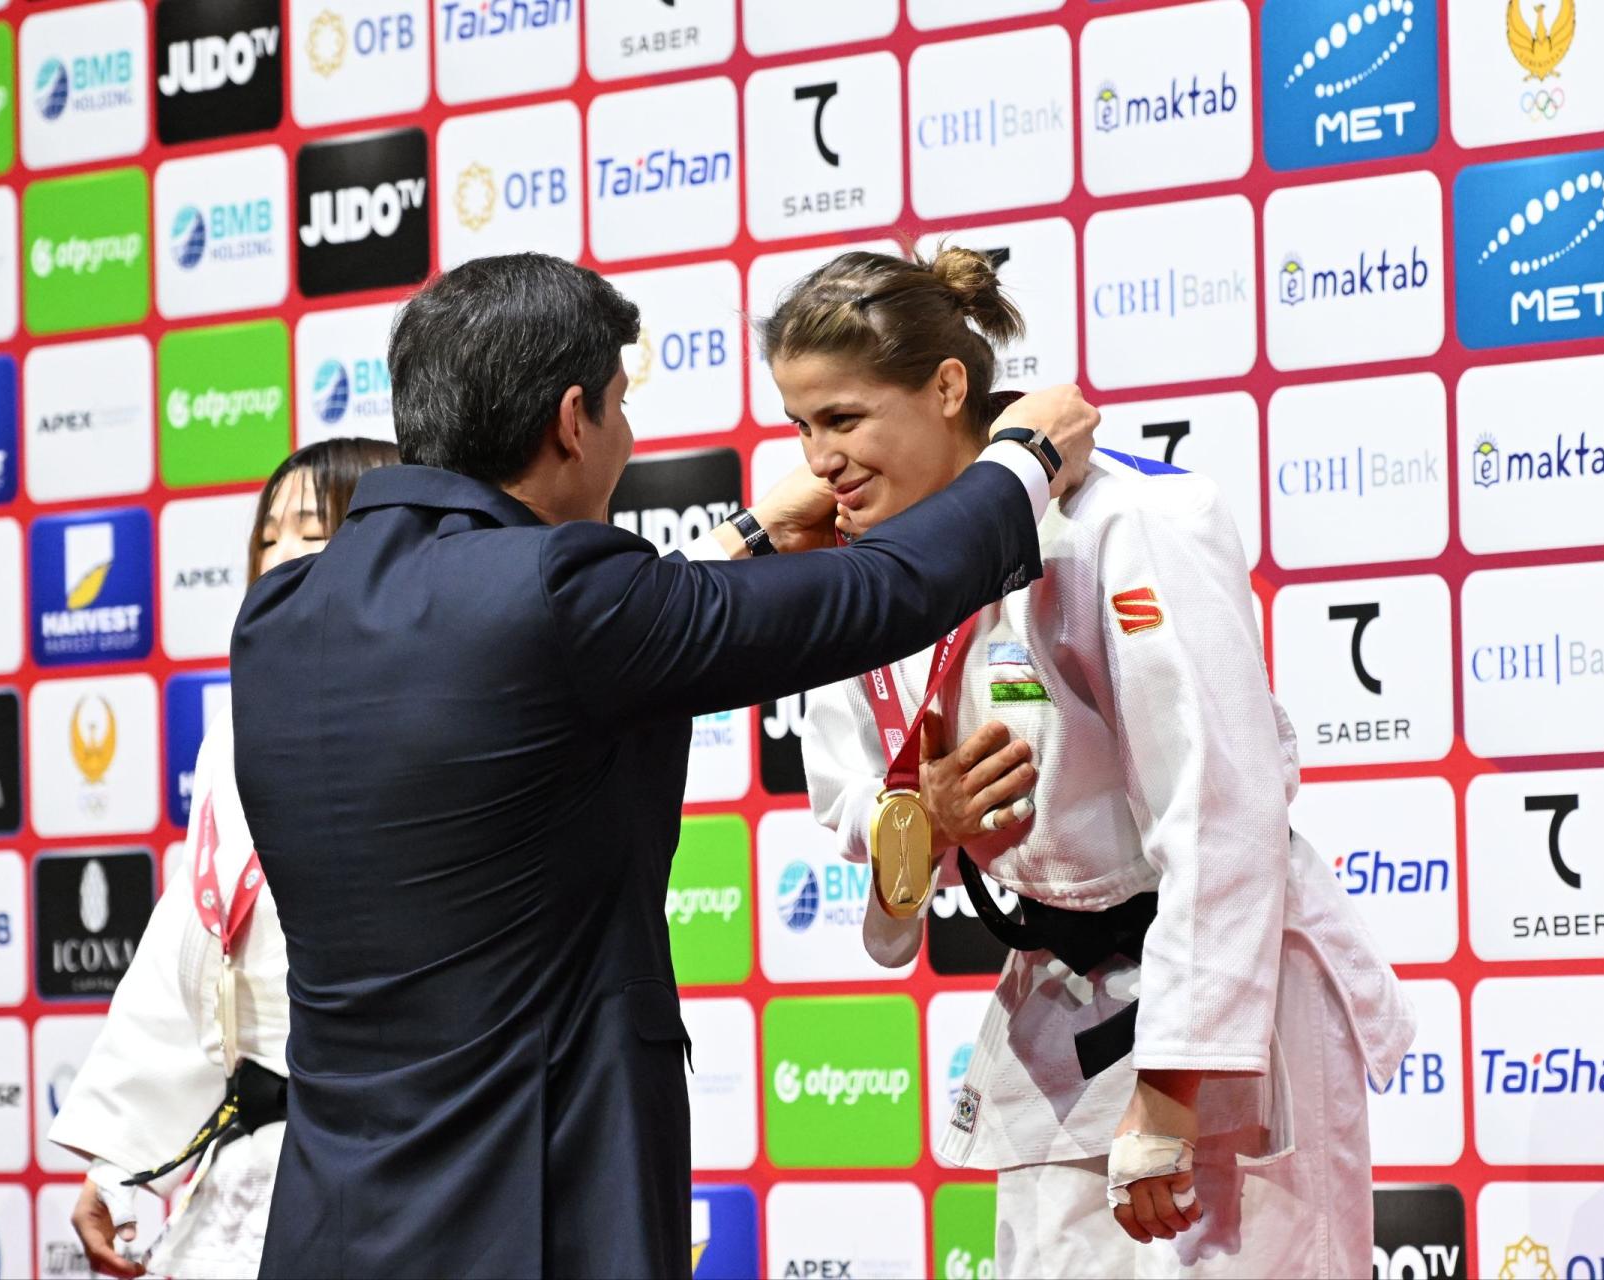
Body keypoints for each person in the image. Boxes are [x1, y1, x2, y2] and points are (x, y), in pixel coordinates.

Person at [225, 252, 1099, 1279]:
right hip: (533, 1202)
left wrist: (750, 537)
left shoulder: (280, 615)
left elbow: (545, 654)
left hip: (333, 1213)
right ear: (573, 420)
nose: (629, 437)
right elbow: (881, 592)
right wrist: (1023, 459)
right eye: (622, 407)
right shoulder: (560, 592)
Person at [773, 246, 1417, 1277]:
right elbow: (852, 794)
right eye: (800, 426)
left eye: (843, 419)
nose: (819, 461)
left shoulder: (1124, 522)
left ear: (948, 388)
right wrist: (922, 816)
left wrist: (1171, 1087)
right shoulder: (862, 564)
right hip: (1059, 997)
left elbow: (1221, 809)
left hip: (1220, 999)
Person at [49, 438, 402, 1280]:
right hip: (262, 1151)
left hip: (404, 1156)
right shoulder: (240, 723)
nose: (279, 555)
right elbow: (196, 939)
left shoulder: (444, 710)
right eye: (267, 537)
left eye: (311, 530)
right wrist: (119, 1160)